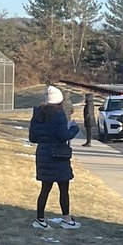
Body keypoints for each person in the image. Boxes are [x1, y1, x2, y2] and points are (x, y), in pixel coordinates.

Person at [29, 85, 80, 229]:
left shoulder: (37, 114)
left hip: (43, 154)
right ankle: (67, 219)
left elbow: (32, 138)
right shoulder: (59, 115)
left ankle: (40, 219)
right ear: (59, 101)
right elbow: (63, 136)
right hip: (58, 154)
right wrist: (74, 129)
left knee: (45, 188)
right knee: (64, 187)